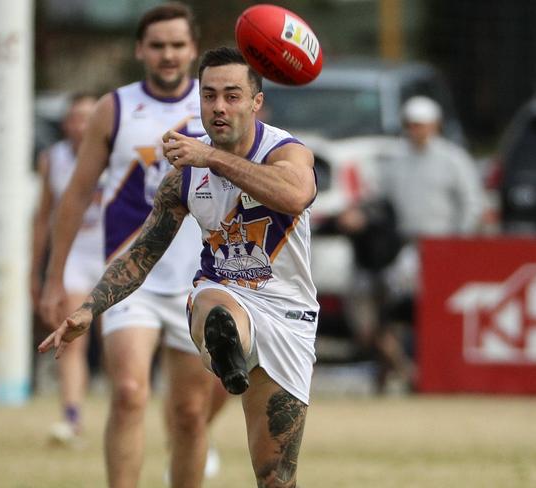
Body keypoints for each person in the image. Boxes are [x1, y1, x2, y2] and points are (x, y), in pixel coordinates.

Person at [40, 46, 320, 488]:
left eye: (231, 95)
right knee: (216, 303)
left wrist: (212, 157)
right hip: (224, 290)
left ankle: (235, 351)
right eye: (208, 96)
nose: (219, 107)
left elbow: (294, 196)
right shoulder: (184, 175)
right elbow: (142, 253)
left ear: (256, 102)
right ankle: (230, 348)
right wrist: (89, 309)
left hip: (289, 313)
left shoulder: (285, 151)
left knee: (275, 477)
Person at [38, 3, 225, 486]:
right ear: (140, 49)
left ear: (193, 49)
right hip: (130, 278)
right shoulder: (114, 108)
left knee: (188, 412)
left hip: (199, 279)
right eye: (158, 45)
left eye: (178, 45)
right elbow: (77, 193)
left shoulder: (213, 109)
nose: (168, 54)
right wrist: (54, 277)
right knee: (128, 392)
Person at [337, 95, 483, 392]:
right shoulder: (395, 160)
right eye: (410, 125)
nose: (414, 130)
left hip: (443, 245)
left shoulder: (453, 159)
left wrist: (458, 242)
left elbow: (472, 204)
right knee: (385, 305)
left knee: (435, 312)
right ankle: (397, 367)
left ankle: (426, 371)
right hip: (403, 247)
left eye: (420, 125)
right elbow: (377, 199)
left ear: (434, 125)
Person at [30, 93, 100, 444]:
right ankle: (72, 417)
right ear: (66, 124)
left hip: (114, 252)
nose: (82, 125)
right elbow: (43, 218)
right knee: (71, 335)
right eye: (76, 118)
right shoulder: (52, 159)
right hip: (73, 254)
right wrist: (37, 273)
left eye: (90, 117)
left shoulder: (118, 154)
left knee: (122, 344)